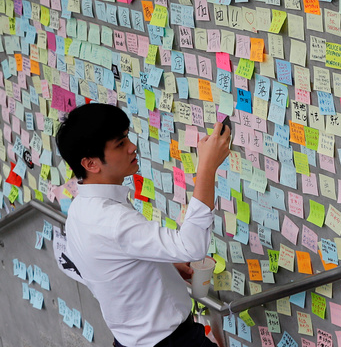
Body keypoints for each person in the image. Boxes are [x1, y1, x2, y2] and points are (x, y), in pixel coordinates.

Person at [56, 103, 231, 347]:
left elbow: (110, 266)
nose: (132, 147)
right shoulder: (111, 219)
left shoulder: (79, 209)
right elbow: (191, 246)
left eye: (127, 137)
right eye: (120, 144)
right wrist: (207, 167)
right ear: (91, 164)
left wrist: (157, 265)